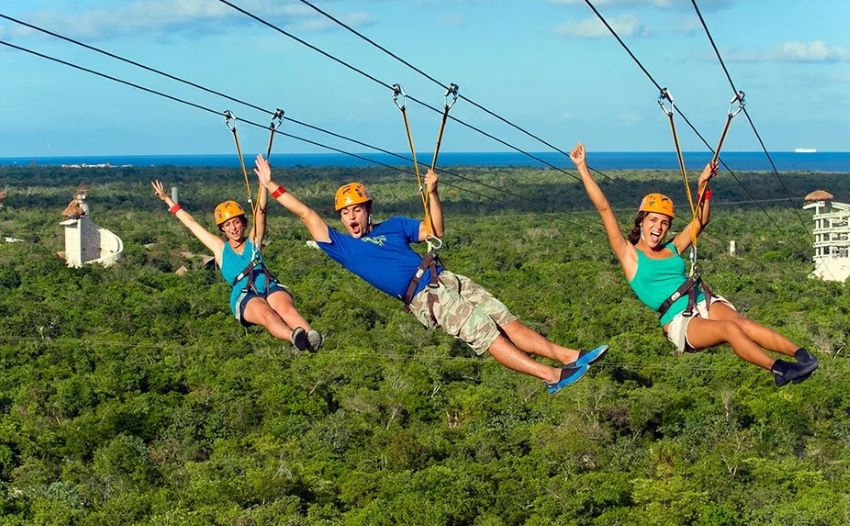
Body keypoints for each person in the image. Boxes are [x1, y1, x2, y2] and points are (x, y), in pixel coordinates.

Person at [253, 154, 607, 394]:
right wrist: (271, 186)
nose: (352, 219)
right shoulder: (342, 246)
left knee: (506, 321)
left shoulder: (394, 227)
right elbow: (305, 214)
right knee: (486, 334)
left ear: (368, 211)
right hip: (427, 298)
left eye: (357, 211)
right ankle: (550, 376)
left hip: (445, 277)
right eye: (346, 214)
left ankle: (568, 355)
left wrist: (434, 193)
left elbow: (436, 228)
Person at [569, 143, 817, 386]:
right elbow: (604, 208)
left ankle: (802, 356)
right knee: (730, 330)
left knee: (743, 324)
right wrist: (582, 168)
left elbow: (701, 221)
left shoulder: (672, 248)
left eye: (665, 223)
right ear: (641, 222)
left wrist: (703, 186)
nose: (659, 227)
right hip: (680, 319)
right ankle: (779, 370)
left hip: (700, 298)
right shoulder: (629, 255)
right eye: (654, 220)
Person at [151, 161, 320, 352]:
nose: (233, 228)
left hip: (267, 285)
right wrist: (167, 200)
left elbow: (261, 212)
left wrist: (264, 184)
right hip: (245, 295)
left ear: (243, 223)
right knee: (267, 316)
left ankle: (309, 334)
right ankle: (293, 336)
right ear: (222, 228)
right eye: (228, 225)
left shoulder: (253, 242)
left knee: (287, 310)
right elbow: (191, 224)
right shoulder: (220, 249)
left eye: (236, 223)